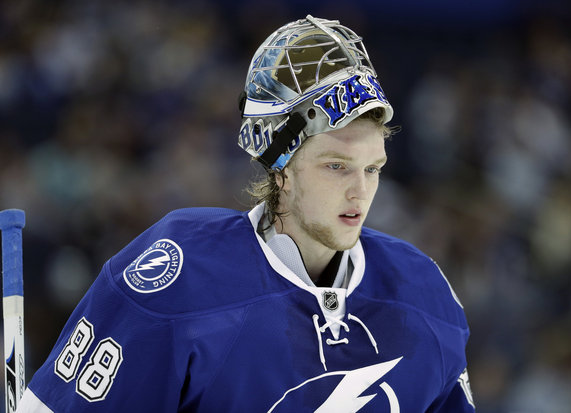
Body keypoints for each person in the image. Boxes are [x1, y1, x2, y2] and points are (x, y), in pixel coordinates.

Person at [17, 15, 475, 412]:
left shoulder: (424, 292)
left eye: (372, 168)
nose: (361, 190)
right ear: (280, 167)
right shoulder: (176, 276)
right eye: (336, 166)